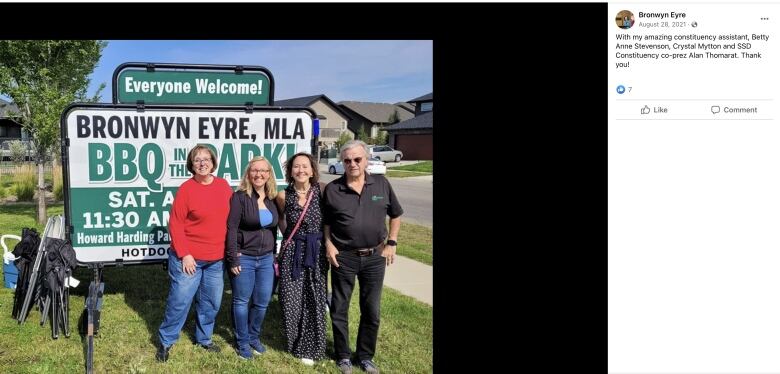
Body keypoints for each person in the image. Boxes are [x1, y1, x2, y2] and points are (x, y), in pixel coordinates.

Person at [322, 140, 403, 374]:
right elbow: (327, 222)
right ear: (342, 162)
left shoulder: (381, 184)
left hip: (375, 257)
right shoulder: (333, 189)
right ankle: (343, 356)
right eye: (347, 160)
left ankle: (365, 356)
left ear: (366, 160)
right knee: (339, 307)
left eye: (357, 159)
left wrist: (392, 243)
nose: (352, 164)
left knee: (371, 309)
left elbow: (395, 215)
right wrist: (328, 244)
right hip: (344, 257)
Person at [156, 145, 233, 362]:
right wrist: (185, 253)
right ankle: (166, 340)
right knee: (180, 301)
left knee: (211, 302)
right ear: (192, 164)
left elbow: (232, 218)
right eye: (197, 160)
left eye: (206, 159)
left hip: (215, 259)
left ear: (213, 162)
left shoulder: (223, 186)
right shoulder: (186, 189)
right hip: (189, 258)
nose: (202, 163)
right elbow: (176, 223)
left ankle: (204, 339)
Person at [275, 152, 328, 366]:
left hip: (317, 250)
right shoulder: (282, 195)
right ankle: (295, 343)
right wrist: (288, 235)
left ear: (313, 170)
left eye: (305, 166)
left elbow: (329, 221)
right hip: (293, 251)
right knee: (291, 297)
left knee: (314, 296)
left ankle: (312, 345)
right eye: (296, 167)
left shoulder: (322, 192)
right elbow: (280, 217)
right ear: (290, 171)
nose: (301, 170)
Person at [225, 156, 281, 360]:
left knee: (262, 301)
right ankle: (242, 342)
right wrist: (233, 258)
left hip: (266, 259)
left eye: (263, 171)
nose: (259, 174)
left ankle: (253, 336)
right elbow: (231, 228)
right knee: (241, 300)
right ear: (248, 174)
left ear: (269, 174)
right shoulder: (239, 197)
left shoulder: (272, 197)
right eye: (254, 170)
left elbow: (273, 230)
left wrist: (274, 254)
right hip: (244, 257)